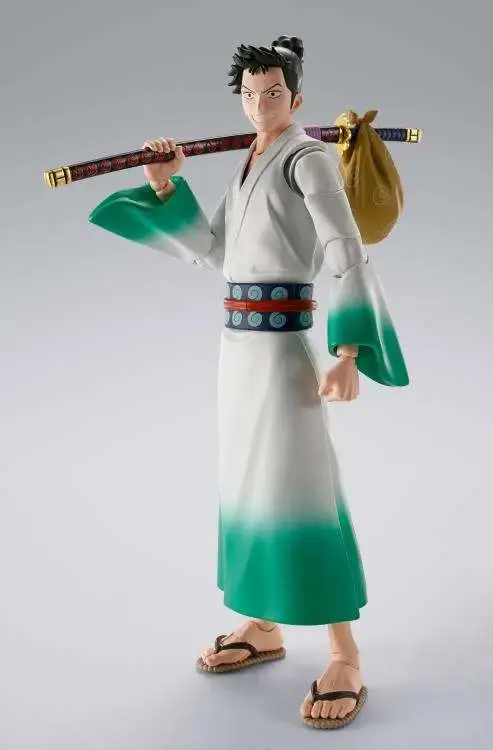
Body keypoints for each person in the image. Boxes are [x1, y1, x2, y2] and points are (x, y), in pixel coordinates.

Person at [88, 35, 409, 730]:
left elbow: (344, 247)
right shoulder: (250, 161)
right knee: (247, 483)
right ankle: (263, 622)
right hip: (237, 349)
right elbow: (214, 252)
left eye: (273, 93)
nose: (260, 103)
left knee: (302, 489)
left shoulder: (308, 157)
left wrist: (348, 350)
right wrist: (164, 184)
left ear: (296, 98)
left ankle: (345, 653)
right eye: (250, 94)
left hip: (285, 349)